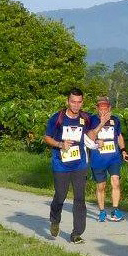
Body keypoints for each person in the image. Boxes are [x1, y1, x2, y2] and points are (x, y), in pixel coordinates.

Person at [44, 90, 90, 241]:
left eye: (79, 102)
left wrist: (97, 141)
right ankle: (55, 219)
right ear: (67, 101)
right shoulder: (57, 118)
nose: (76, 105)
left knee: (79, 198)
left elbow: (90, 135)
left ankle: (77, 233)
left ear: (82, 102)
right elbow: (47, 138)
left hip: (79, 163)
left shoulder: (85, 118)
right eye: (73, 101)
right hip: (61, 163)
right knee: (60, 196)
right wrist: (59, 144)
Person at [84, 95, 128, 222]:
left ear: (110, 108)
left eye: (105, 107)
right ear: (97, 108)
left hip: (114, 157)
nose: (103, 110)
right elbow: (90, 137)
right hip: (98, 159)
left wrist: (124, 151)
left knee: (115, 182)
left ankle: (115, 210)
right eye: (100, 107)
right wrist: (102, 123)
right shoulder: (91, 120)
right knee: (101, 187)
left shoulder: (116, 120)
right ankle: (102, 211)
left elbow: (119, 136)